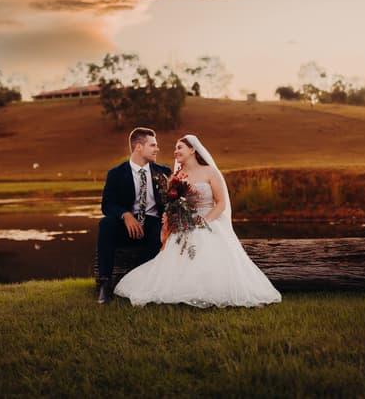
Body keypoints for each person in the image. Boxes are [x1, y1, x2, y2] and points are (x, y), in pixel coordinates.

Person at [114, 134, 282, 308]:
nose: (175, 151)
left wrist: (204, 221)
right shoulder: (176, 177)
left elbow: (221, 203)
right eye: (175, 148)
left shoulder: (210, 172)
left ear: (192, 149)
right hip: (184, 223)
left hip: (210, 221)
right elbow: (171, 204)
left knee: (206, 242)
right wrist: (172, 218)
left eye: (180, 147)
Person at [96, 127, 173, 304]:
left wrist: (168, 217)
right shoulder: (116, 173)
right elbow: (107, 205)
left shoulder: (164, 172)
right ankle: (105, 283)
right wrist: (125, 215)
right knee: (106, 224)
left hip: (154, 223)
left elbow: (172, 202)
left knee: (158, 235)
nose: (157, 149)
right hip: (126, 225)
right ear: (139, 147)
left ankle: (135, 279)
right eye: (153, 145)